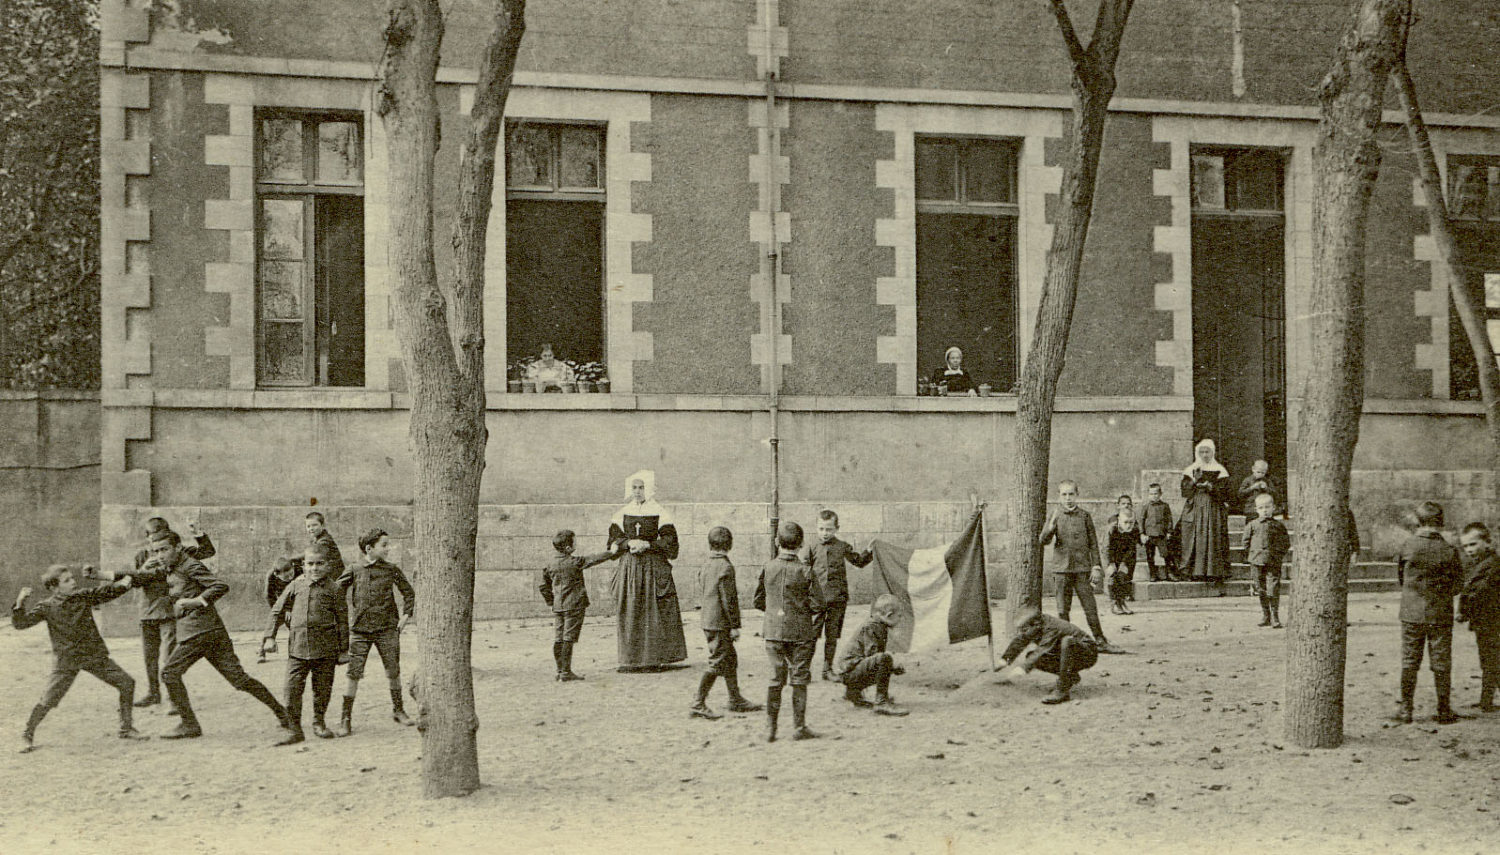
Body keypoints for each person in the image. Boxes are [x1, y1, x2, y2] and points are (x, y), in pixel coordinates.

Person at [131, 529, 291, 741]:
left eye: (164, 549)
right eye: (156, 551)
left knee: (169, 674)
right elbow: (144, 577)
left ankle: (190, 725)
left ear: (177, 547)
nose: (160, 555)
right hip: (211, 632)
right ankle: (283, 714)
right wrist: (105, 576)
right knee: (239, 680)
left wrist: (196, 601)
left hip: (199, 633)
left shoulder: (190, 565)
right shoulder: (171, 566)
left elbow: (220, 586)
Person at [13, 565, 147, 752]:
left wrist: (125, 582)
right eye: (67, 580)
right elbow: (21, 624)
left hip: (93, 655)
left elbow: (106, 592)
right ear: (54, 587)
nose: (74, 582)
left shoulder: (83, 596)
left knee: (127, 683)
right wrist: (20, 603)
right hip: (67, 661)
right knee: (49, 700)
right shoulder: (46, 607)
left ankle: (126, 728)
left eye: (72, 578)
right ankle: (27, 734)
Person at [266, 543, 349, 745]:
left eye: (319, 564)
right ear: (303, 565)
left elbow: (343, 620)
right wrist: (270, 637)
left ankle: (318, 723)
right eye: (310, 564)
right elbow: (276, 611)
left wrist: (344, 649)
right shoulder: (295, 585)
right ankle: (295, 730)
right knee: (291, 689)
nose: (314, 568)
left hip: (325, 649)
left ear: (328, 565)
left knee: (322, 689)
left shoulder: (335, 589)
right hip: (298, 649)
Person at [338, 528, 418, 734]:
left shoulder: (392, 570)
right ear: (369, 548)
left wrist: (406, 616)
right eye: (384, 545)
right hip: (360, 631)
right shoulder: (354, 569)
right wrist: (340, 617)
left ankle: (398, 710)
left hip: (387, 629)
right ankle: (345, 718)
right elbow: (336, 591)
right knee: (353, 673)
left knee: (393, 670)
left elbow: (409, 593)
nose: (388, 549)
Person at [607, 470, 688, 671]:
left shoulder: (660, 513)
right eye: (634, 487)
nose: (637, 492)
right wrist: (627, 543)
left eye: (641, 487)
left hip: (653, 569)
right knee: (631, 610)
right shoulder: (621, 513)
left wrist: (648, 545)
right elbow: (612, 542)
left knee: (654, 611)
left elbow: (670, 543)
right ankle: (630, 659)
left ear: (649, 489)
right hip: (630, 570)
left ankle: (654, 659)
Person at [1391, 501, 1464, 725]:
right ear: (1441, 523)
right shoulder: (1449, 549)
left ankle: (1406, 709)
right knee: (1441, 661)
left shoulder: (1408, 545)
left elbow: (1401, 577)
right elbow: (1458, 583)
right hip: (1439, 613)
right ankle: (1443, 709)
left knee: (1409, 660)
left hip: (1412, 612)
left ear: (1418, 522)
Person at [131, 516, 214, 708]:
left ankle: (174, 699)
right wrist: (143, 569)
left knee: (169, 656)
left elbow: (207, 551)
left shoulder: (177, 550)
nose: (156, 542)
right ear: (147, 537)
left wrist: (197, 534)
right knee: (149, 656)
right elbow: (134, 581)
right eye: (153, 536)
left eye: (161, 535)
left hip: (169, 611)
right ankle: (153, 692)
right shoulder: (141, 555)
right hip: (147, 611)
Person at [754, 521, 825, 742]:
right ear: (802, 544)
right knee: (799, 679)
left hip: (773, 631)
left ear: (777, 542)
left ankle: (770, 728)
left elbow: (758, 600)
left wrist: (776, 610)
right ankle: (799, 727)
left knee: (776, 679)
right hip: (801, 633)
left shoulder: (768, 568)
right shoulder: (806, 571)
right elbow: (818, 604)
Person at [1039, 480, 1123, 654]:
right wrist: (1051, 527)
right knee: (1063, 610)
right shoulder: (1055, 515)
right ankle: (1066, 645)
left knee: (1090, 607)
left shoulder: (1084, 516)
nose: (1068, 498)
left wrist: (1096, 567)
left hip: (1082, 570)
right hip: (1061, 570)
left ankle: (1100, 641)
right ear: (1059, 496)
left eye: (1071, 494)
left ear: (1077, 495)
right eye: (1064, 494)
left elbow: (1093, 543)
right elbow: (1043, 541)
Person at [688, 526, 762, 719]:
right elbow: (729, 600)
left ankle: (735, 699)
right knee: (717, 661)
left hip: (708, 620)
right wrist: (735, 625)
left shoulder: (705, 565)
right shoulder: (726, 567)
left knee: (730, 659)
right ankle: (698, 703)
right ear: (730, 545)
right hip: (720, 623)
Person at [803, 509, 873, 681]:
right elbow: (803, 570)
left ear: (836, 528)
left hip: (837, 599)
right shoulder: (810, 547)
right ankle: (803, 670)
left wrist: (870, 551)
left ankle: (827, 669)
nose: (825, 533)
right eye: (821, 529)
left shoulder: (842, 546)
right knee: (811, 636)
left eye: (829, 529)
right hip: (815, 601)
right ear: (816, 528)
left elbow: (859, 561)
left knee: (832, 637)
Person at [539, 529, 616, 683]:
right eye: (574, 542)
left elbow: (543, 586)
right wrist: (611, 552)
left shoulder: (550, 564)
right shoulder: (575, 562)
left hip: (558, 606)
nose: (576, 544)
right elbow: (594, 559)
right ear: (568, 548)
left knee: (559, 637)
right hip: (574, 605)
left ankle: (560, 671)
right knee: (569, 638)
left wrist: (551, 601)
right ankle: (566, 672)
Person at [993, 607, 1099, 704]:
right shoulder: (1037, 625)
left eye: (1024, 629)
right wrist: (1004, 660)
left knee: (1067, 642)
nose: (1022, 633)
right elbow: (1020, 640)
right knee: (1032, 657)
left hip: (1087, 654)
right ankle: (1069, 675)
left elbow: (1042, 650)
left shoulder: (1051, 627)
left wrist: (1023, 668)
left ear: (1036, 624)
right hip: (1071, 654)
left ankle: (1062, 690)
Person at [834, 594, 908, 716]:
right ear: (889, 615)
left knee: (883, 660)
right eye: (899, 616)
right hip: (849, 673)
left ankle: (853, 693)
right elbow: (874, 656)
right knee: (885, 659)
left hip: (849, 672)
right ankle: (881, 702)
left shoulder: (878, 624)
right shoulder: (873, 626)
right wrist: (893, 667)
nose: (900, 619)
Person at [1178, 439, 1233, 591]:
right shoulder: (1191, 469)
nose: (1204, 455)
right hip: (1195, 507)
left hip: (1213, 508)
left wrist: (1211, 487)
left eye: (1207, 451)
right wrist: (1194, 481)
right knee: (1193, 536)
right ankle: (1194, 571)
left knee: (1212, 537)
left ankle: (1213, 572)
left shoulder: (1220, 470)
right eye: (1201, 452)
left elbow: (1225, 492)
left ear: (1213, 452)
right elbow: (1185, 491)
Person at [1458, 522, 1499, 712]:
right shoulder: (1477, 565)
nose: (1469, 550)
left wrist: (1464, 611)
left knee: (1492, 660)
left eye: (1473, 544)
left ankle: (1487, 699)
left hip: (1493, 622)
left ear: (1488, 543)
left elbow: (1478, 592)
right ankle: (1486, 700)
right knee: (1488, 660)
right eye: (1465, 546)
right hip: (1484, 622)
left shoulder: (1493, 565)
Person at [1244, 492, 1291, 628]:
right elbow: (1246, 542)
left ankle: (1275, 616)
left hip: (1273, 561)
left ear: (1273, 508)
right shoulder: (1252, 525)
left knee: (1273, 588)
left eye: (1267, 507)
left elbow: (1285, 543)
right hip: (1256, 561)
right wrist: (1252, 556)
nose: (1264, 511)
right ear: (1256, 509)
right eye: (1261, 508)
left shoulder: (1278, 526)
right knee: (1260, 588)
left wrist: (1278, 555)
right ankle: (1266, 615)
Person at [259, 554, 302, 663]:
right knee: (272, 623)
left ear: (293, 567)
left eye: (291, 574)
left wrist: (291, 609)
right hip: (280, 603)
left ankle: (295, 652)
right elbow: (269, 596)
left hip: (297, 602)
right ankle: (262, 651)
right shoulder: (271, 577)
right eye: (286, 577)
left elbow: (300, 592)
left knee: (294, 626)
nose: (290, 578)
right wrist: (279, 611)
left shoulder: (299, 570)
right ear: (277, 575)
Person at [1105, 495, 1138, 615]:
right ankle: (1114, 603)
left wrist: (1124, 563)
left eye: (1131, 522)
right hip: (1113, 557)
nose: (1128, 525)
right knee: (1113, 578)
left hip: (1126, 558)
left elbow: (1131, 548)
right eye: (1125, 522)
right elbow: (1107, 547)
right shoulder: (1113, 530)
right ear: (1119, 520)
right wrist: (1111, 563)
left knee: (1124, 578)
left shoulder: (1133, 530)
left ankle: (1122, 602)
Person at [1140, 482, 1175, 582]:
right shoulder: (1146, 506)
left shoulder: (1165, 506)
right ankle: (1153, 574)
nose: (1153, 496)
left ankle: (1169, 573)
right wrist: (1142, 533)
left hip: (1161, 535)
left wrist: (1169, 532)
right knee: (1150, 555)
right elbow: (1141, 520)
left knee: (1166, 554)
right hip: (1150, 535)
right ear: (1148, 495)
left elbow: (1169, 519)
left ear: (1160, 494)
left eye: (1156, 494)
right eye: (1151, 494)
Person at [304, 511, 345, 580]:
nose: (311, 528)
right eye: (308, 526)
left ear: (323, 525)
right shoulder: (317, 539)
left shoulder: (325, 540)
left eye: (314, 525)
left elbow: (311, 554)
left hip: (333, 576)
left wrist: (291, 559)